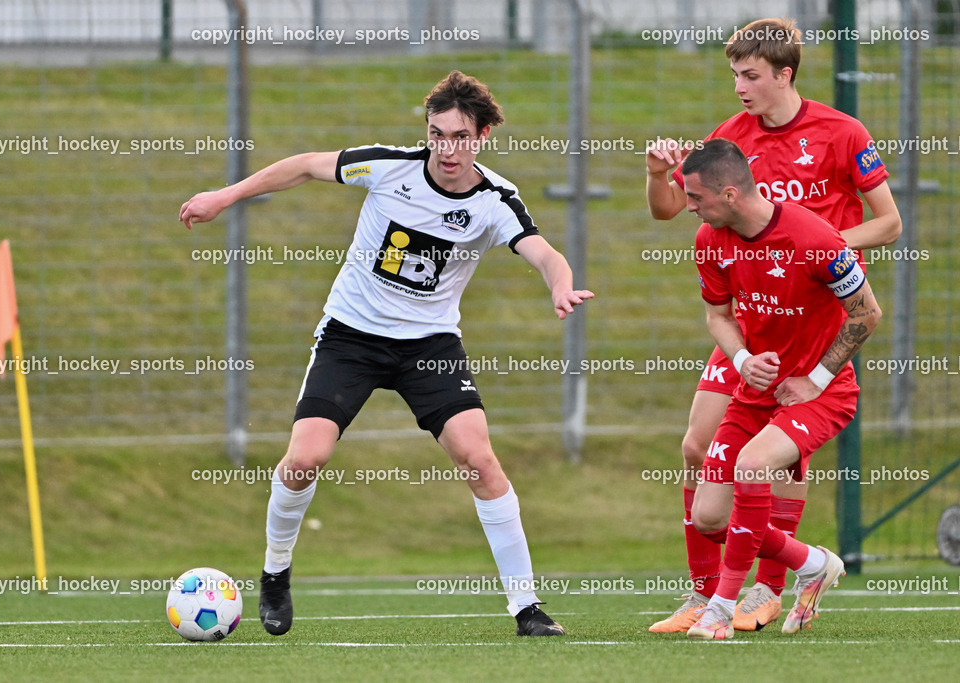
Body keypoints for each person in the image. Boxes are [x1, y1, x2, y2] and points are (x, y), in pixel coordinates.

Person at [179, 70, 592, 637]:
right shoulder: (389, 167)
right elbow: (302, 165)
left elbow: (544, 253)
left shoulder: (496, 199)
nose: (447, 148)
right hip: (352, 336)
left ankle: (527, 608)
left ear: (484, 136)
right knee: (304, 460)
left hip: (429, 345)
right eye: (437, 133)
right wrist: (226, 196)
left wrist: (559, 286)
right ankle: (275, 573)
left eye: (461, 137)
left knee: (480, 460)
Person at [645, 17, 900, 633]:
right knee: (697, 446)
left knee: (772, 453)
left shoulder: (842, 132)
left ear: (784, 75)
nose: (739, 87)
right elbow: (673, 211)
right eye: (735, 74)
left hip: (817, 311)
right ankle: (705, 593)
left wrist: (815, 248)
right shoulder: (731, 138)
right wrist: (658, 175)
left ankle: (765, 589)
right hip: (750, 320)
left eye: (750, 75)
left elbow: (889, 224)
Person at [676, 138, 881, 639]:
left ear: (729, 194)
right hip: (757, 391)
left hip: (821, 392)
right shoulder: (710, 238)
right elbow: (718, 316)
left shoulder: (816, 238)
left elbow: (868, 313)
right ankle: (812, 564)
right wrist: (744, 360)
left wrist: (815, 379)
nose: (690, 206)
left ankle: (721, 611)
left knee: (751, 465)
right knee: (707, 518)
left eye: (696, 197)